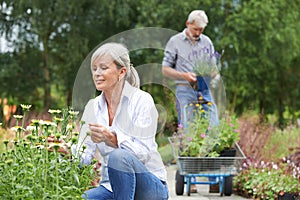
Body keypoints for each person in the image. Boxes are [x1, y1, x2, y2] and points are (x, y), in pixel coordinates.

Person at [74, 42, 168, 200]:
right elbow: (85, 154)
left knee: (118, 157)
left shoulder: (142, 100)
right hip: (111, 187)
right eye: (94, 68)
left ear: (122, 72)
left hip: (150, 187)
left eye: (103, 68)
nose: (97, 73)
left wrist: (112, 138)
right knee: (80, 198)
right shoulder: (93, 107)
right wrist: (65, 151)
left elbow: (143, 152)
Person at [162, 10, 220, 193]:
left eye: (201, 30)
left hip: (204, 89)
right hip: (184, 90)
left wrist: (214, 79)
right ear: (188, 24)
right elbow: (165, 69)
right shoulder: (175, 41)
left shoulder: (207, 42)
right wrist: (184, 75)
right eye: (196, 29)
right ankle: (191, 178)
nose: (198, 33)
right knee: (188, 131)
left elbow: (213, 69)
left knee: (213, 127)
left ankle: (213, 176)